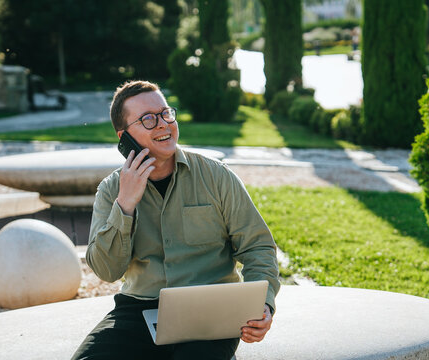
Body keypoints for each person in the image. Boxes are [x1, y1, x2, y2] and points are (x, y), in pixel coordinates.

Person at [72, 80, 280, 360]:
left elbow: (258, 247)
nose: (162, 124)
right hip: (138, 309)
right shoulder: (112, 190)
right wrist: (126, 205)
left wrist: (262, 305)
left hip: (212, 310)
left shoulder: (217, 177)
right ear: (124, 136)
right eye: (147, 119)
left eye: (165, 113)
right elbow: (107, 270)